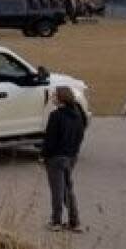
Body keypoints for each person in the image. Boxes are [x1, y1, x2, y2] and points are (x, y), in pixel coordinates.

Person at [41, 86, 86, 232]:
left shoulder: (56, 116)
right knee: (68, 189)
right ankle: (75, 221)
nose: (52, 97)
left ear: (60, 99)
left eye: (54, 95)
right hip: (71, 156)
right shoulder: (78, 115)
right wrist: (74, 153)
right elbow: (80, 136)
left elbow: (50, 139)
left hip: (55, 157)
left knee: (57, 190)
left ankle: (56, 221)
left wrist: (44, 156)